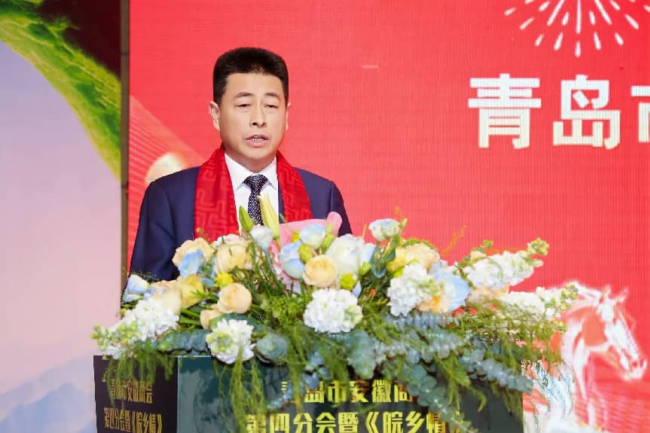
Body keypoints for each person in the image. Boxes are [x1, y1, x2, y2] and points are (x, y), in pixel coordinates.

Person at [130, 47, 352, 281]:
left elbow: (346, 291)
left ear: (286, 116)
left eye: (271, 106)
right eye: (244, 105)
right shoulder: (170, 197)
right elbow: (145, 296)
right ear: (216, 114)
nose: (259, 119)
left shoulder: (322, 195)